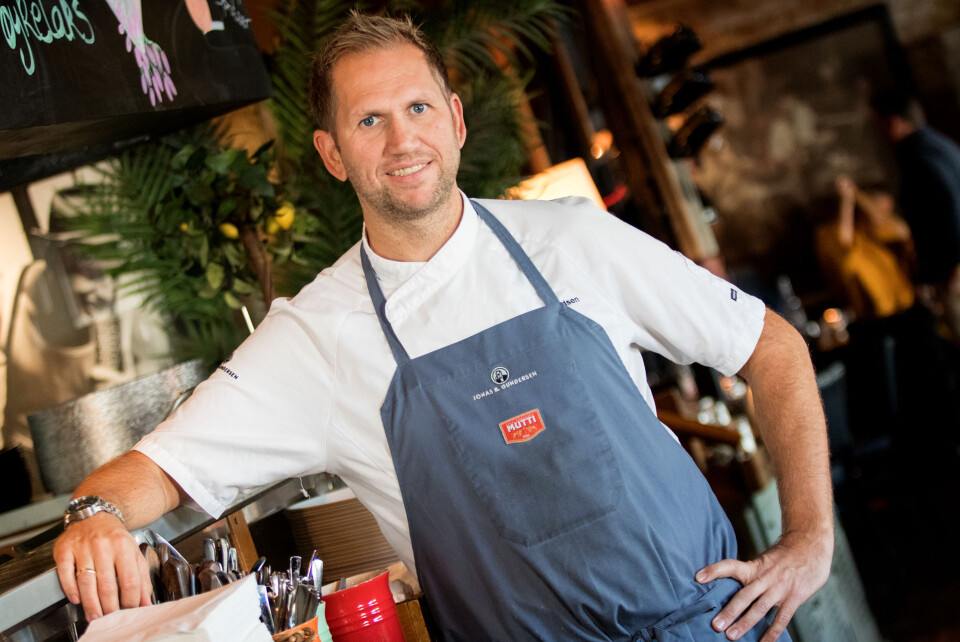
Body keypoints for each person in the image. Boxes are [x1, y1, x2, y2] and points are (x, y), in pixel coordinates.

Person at [53, 12, 833, 641]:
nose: (403, 141)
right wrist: (95, 514)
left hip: (710, 629)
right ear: (331, 153)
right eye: (369, 120)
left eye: (418, 108)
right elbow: (155, 470)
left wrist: (809, 542)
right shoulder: (317, 338)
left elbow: (771, 347)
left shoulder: (572, 240)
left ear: (455, 121)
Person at [871, 88, 960, 345]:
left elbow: (951, 204)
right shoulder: (940, 145)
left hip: (952, 271)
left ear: (894, 123)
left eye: (878, 124)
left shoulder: (921, 155)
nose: (877, 133)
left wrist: (955, 265)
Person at [814, 174, 914, 320]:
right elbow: (844, 244)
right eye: (876, 204)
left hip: (905, 306)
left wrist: (856, 192)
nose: (880, 212)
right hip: (871, 317)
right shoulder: (842, 234)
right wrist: (847, 201)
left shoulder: (888, 234)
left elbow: (895, 228)